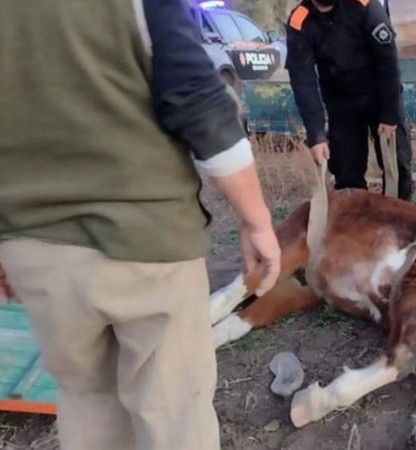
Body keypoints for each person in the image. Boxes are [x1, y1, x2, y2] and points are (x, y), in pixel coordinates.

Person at [0, 1, 281, 449]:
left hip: (35, 249)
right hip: (147, 244)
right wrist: (257, 220)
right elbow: (200, 102)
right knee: (173, 413)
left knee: (88, 404)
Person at [285, 0, 414, 201]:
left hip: (380, 97)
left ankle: (399, 222)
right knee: (347, 175)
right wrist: (316, 135)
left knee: (396, 166)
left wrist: (390, 114)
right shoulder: (300, 21)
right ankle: (357, 226)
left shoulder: (363, 6)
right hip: (342, 105)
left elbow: (388, 60)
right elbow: (303, 82)